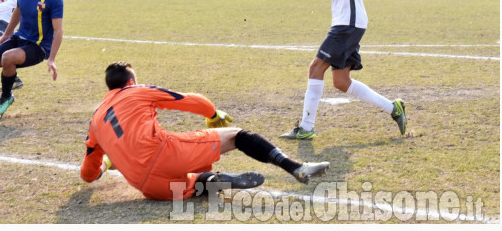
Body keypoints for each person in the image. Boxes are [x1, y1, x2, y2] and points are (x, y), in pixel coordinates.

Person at [79, 62, 330, 201]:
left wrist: (104, 166)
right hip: (164, 153)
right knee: (237, 135)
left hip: (148, 188)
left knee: (193, 180)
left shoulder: (95, 120)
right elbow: (192, 100)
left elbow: (88, 174)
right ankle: (296, 167)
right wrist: (212, 114)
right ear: (131, 82)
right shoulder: (136, 91)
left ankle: (211, 180)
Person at [259, 0, 407, 140]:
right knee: (341, 82)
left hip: (349, 23)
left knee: (316, 67)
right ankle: (393, 108)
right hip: (345, 23)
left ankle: (307, 128)